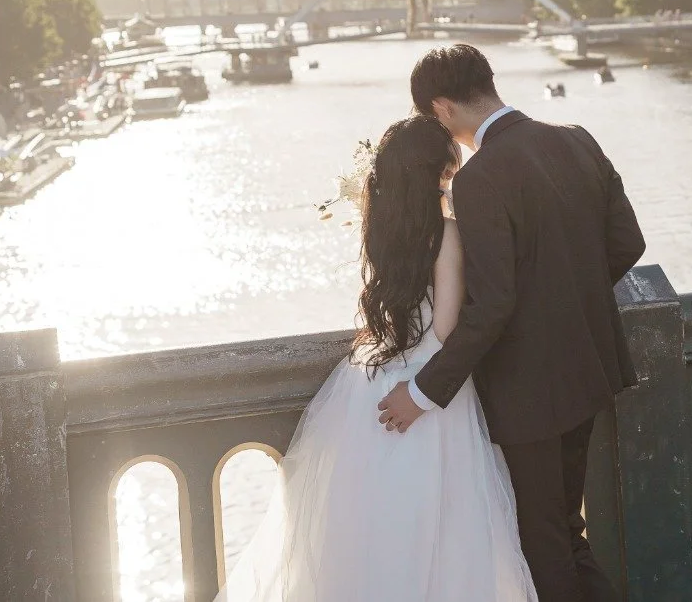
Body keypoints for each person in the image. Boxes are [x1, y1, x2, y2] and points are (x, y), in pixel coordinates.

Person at [216, 114, 536, 601]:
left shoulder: (380, 228)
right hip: (428, 384)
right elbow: (447, 328)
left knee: (367, 523)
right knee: (445, 525)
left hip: (375, 376)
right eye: (448, 174)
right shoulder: (446, 233)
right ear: (434, 174)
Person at [378, 44, 646, 602]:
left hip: (530, 390)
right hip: (589, 369)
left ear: (443, 109)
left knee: (543, 544)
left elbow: (493, 304)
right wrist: (565, 294)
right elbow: (628, 242)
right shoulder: (577, 137)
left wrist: (424, 392)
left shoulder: (479, 179)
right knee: (567, 535)